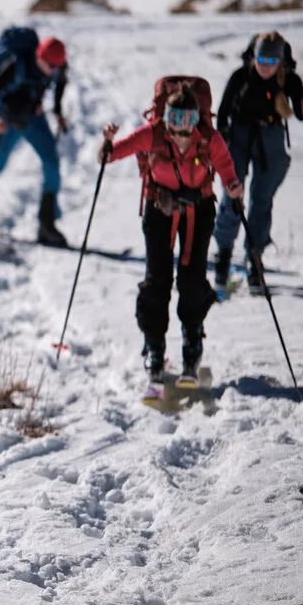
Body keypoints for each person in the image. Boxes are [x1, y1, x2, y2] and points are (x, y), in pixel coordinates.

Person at [100, 86, 244, 394]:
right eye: (173, 126)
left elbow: (225, 165)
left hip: (198, 211)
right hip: (159, 210)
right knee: (157, 279)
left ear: (194, 122)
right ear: (165, 120)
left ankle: (192, 341)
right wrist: (107, 143)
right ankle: (154, 347)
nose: (178, 135)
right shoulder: (152, 134)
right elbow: (110, 155)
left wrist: (232, 185)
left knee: (191, 279)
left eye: (185, 127)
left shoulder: (208, 138)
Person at [213, 32, 303, 294]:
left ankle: (255, 257)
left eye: (271, 61)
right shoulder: (241, 76)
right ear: (253, 57)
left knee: (262, 199)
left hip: (271, 138)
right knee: (232, 193)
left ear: (280, 61)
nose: (265, 66)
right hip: (239, 136)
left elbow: (300, 109)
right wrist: (222, 137)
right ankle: (224, 253)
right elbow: (223, 110)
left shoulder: (288, 79)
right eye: (261, 59)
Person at [0, 32, 70, 246]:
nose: (54, 71)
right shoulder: (16, 66)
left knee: (52, 164)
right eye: (51, 66)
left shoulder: (57, 65)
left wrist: (58, 111)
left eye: (58, 66)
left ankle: (47, 224)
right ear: (39, 57)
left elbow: (61, 82)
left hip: (34, 118)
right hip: (7, 121)